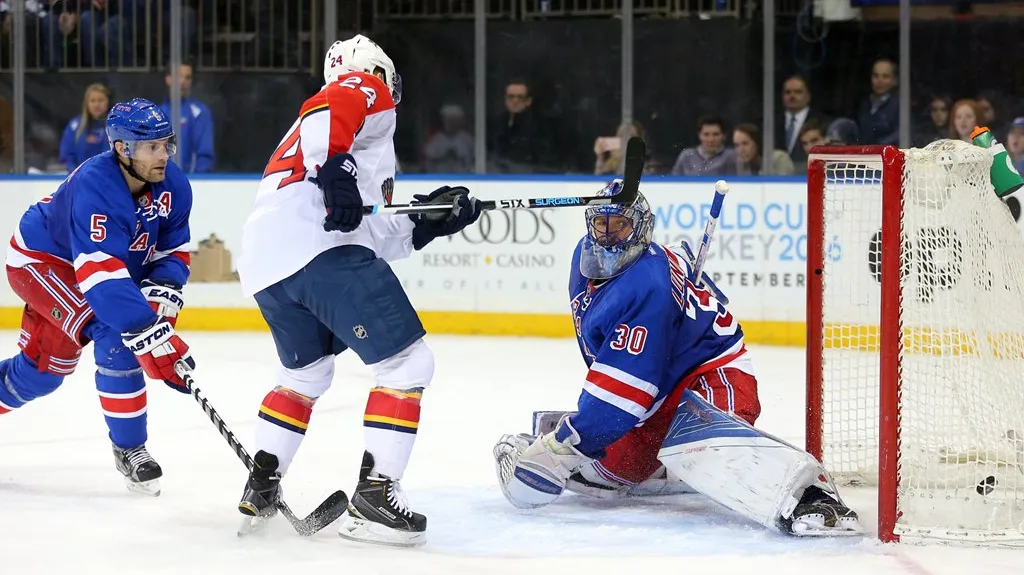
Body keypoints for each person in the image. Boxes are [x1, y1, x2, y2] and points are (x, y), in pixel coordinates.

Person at [493, 180, 862, 537]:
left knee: (712, 448)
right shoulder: (587, 255)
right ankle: (670, 466)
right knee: (606, 475)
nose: (606, 235)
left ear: (640, 229)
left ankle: (811, 498)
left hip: (709, 372)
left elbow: (624, 392)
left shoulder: (645, 288)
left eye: (619, 225)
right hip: (658, 387)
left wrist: (565, 445)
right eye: (599, 223)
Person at [235, 34, 482, 547]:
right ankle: (376, 497)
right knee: (407, 365)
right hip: (317, 252)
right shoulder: (363, 93)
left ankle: (263, 477)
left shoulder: (343, 144)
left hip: (268, 264)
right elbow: (331, 108)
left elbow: (366, 230)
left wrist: (428, 221)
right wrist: (337, 171)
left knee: (304, 375)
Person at [0, 98, 196, 497]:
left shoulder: (172, 184)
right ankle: (131, 449)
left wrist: (161, 314)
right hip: (43, 264)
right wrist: (148, 332)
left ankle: (131, 448)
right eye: (152, 147)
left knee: (42, 375)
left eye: (166, 144)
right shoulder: (97, 184)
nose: (164, 155)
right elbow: (102, 277)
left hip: (89, 271)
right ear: (122, 149)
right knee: (114, 332)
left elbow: (173, 252)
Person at [59, 83, 112, 173]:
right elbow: (66, 156)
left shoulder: (115, 126)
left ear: (108, 101)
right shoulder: (75, 126)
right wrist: (76, 174)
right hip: (79, 178)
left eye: (101, 100)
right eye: (92, 101)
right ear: (86, 103)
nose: (96, 105)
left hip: (108, 177)